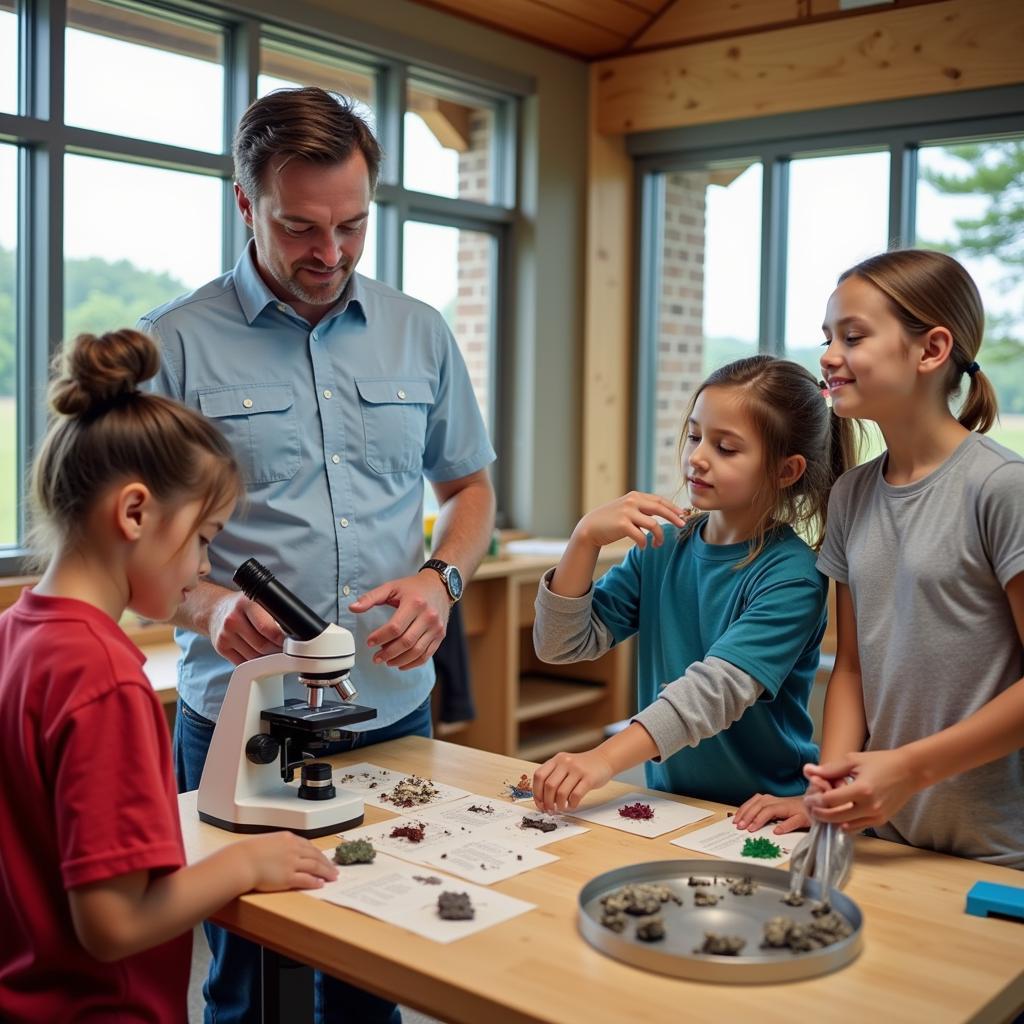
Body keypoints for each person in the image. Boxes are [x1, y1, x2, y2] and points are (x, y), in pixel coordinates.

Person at [140, 86, 496, 1022]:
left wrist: (442, 577)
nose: (329, 255)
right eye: (300, 227)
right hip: (237, 727)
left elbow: (470, 492)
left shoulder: (419, 332)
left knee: (377, 972)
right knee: (245, 983)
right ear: (245, 203)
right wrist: (210, 605)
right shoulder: (169, 346)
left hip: (392, 716)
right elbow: (138, 547)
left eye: (352, 226)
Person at [0, 329, 338, 1023]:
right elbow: (113, 924)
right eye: (205, 538)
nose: (205, 569)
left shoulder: (18, 635)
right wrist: (244, 866)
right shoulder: (106, 678)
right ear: (134, 513)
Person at [734, 250, 1024, 869]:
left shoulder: (1001, 488)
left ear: (931, 349)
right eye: (826, 338)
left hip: (999, 852)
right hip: (883, 838)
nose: (828, 356)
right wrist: (829, 793)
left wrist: (908, 770)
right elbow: (852, 671)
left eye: (853, 336)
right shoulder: (851, 494)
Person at [531, 355, 856, 813]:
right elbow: (560, 645)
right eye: (695, 436)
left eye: (726, 448)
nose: (697, 458)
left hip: (762, 811)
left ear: (786, 471)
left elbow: (713, 691)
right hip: (667, 804)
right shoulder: (662, 544)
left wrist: (602, 761)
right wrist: (584, 538)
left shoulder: (794, 577)